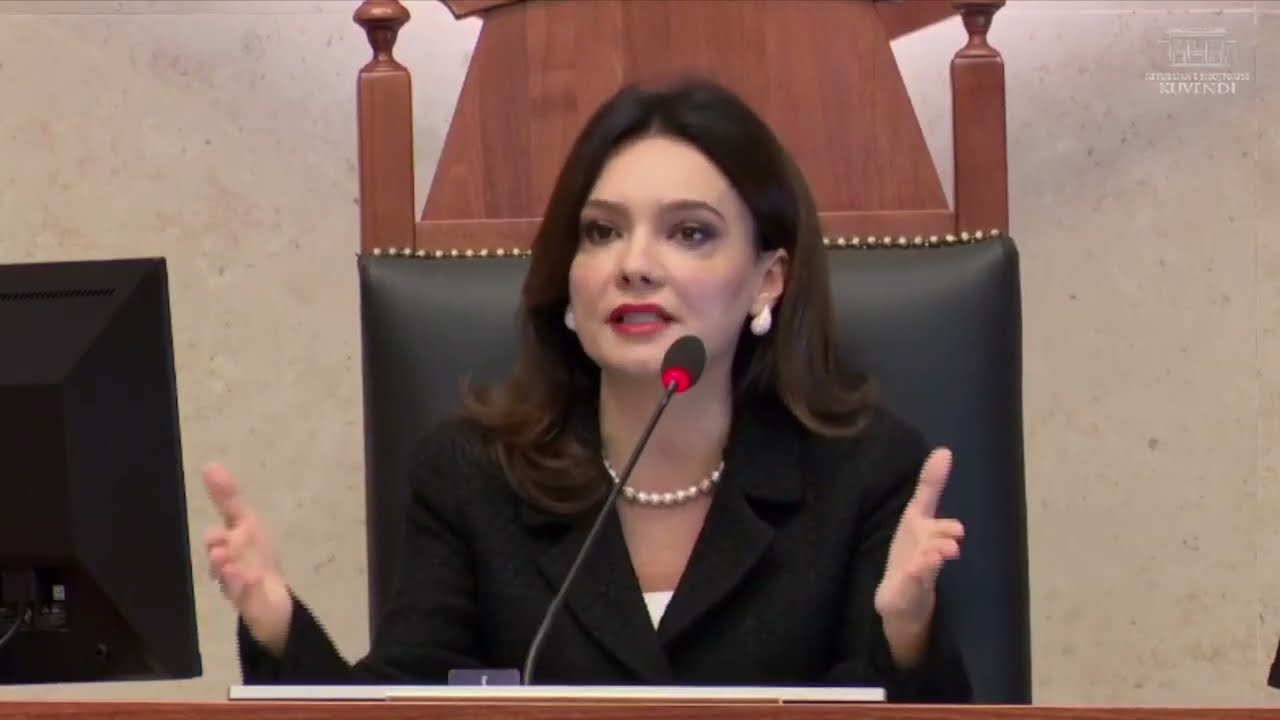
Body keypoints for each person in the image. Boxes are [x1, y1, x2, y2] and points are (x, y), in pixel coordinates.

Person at [202, 77, 972, 702]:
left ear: (767, 280)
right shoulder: (473, 477)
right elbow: (406, 705)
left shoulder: (865, 475)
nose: (634, 265)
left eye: (690, 232)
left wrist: (906, 636)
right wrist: (277, 626)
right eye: (602, 231)